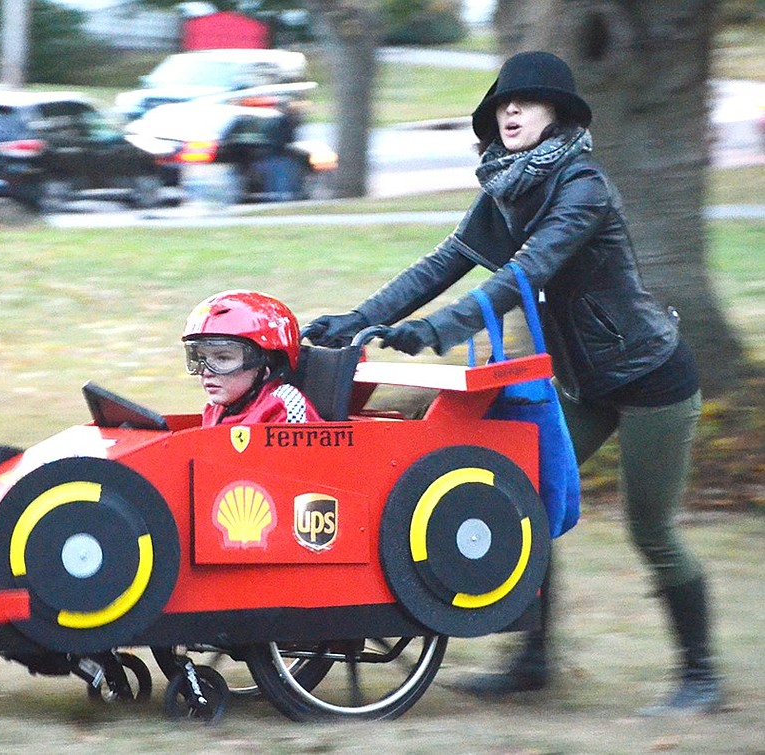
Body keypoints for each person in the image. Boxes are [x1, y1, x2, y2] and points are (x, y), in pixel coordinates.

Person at [303, 51, 721, 716]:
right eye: (503, 103)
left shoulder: (582, 186)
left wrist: (438, 330)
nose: (512, 111)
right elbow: (443, 262)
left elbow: (524, 274)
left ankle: (701, 673)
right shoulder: (509, 187)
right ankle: (532, 661)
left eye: (527, 101)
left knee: (651, 530)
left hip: (651, 378)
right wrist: (358, 320)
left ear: (557, 114)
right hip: (585, 382)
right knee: (521, 500)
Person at [184, 289, 321, 426]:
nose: (206, 372)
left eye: (223, 359)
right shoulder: (216, 409)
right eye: (200, 358)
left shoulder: (284, 406)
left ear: (266, 366)